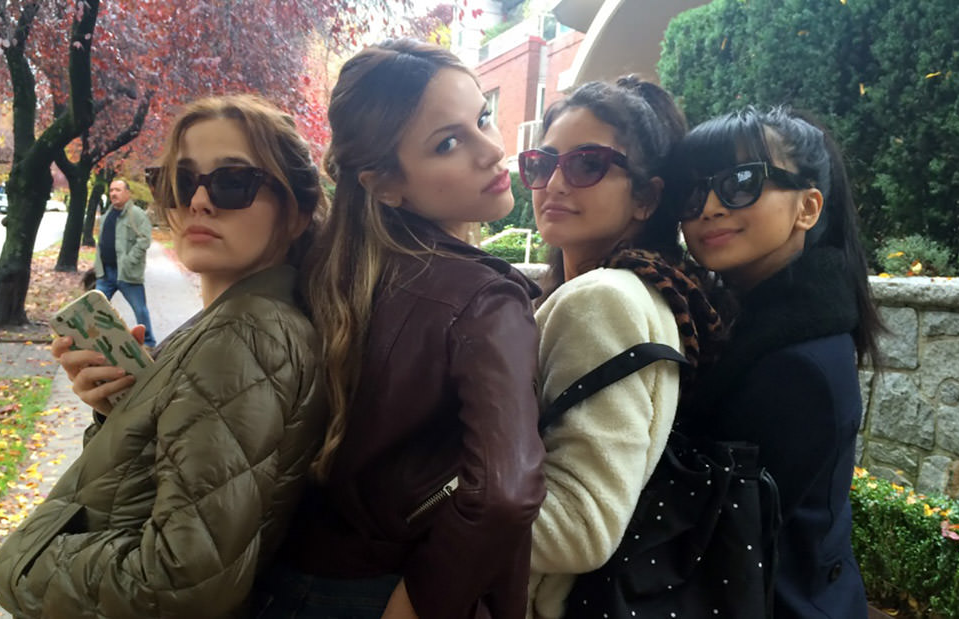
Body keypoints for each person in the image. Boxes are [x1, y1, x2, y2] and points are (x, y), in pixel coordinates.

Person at [0, 94, 329, 617]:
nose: (197, 201)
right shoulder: (244, 320)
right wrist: (124, 410)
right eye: (179, 180)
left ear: (297, 212)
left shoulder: (244, 336)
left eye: (232, 182)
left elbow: (180, 582)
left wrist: (22, 561)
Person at [257, 39, 545, 619]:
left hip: (286, 580)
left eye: (482, 118)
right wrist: (423, 601)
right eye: (448, 143)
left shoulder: (319, 271)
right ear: (385, 184)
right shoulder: (483, 299)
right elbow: (505, 493)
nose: (492, 150)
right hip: (395, 590)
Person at [519, 78, 725, 619]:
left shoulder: (605, 299)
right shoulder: (648, 289)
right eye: (543, 163)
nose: (555, 183)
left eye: (587, 164)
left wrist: (416, 500)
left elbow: (582, 527)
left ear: (647, 197)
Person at [671, 106, 880, 618]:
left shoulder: (796, 363)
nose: (710, 207)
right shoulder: (750, 316)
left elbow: (713, 523)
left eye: (741, 182)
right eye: (692, 190)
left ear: (807, 208)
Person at [94, 178, 157, 348]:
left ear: (127, 193)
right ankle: (96, 341)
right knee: (95, 308)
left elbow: (144, 240)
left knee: (140, 310)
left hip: (126, 273)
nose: (114, 193)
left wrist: (130, 261)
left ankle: (150, 344)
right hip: (106, 274)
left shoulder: (136, 214)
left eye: (118, 190)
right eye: (112, 190)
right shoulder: (107, 214)